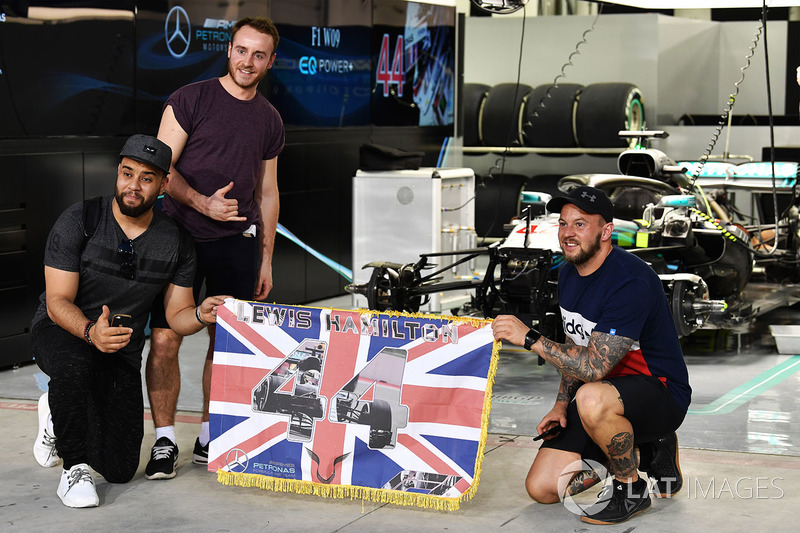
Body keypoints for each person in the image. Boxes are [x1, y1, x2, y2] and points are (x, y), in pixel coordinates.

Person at [31, 134, 229, 508]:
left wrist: (202, 314)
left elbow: (177, 316)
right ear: (118, 173)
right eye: (127, 173)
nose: (133, 186)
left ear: (164, 185)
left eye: (147, 178)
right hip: (63, 330)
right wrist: (91, 331)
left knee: (120, 468)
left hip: (120, 347)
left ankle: (55, 413)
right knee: (73, 368)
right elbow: (57, 301)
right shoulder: (80, 220)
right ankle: (73, 470)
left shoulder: (175, 242)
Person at [492, 186, 691, 525]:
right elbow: (576, 349)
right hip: (600, 396)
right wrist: (560, 404)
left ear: (606, 231)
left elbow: (594, 366)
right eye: (563, 223)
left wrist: (529, 338)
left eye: (581, 224)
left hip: (659, 392)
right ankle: (651, 451)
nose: (568, 233)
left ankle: (631, 490)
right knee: (542, 488)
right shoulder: (569, 273)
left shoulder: (631, 281)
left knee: (591, 398)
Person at [143, 16, 285, 479]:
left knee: (225, 346)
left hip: (236, 246)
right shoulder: (191, 99)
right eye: (241, 50)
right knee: (166, 338)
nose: (248, 61)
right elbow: (160, 170)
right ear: (229, 50)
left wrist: (264, 255)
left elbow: (268, 193)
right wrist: (202, 203)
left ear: (270, 61)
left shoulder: (269, 118)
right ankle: (164, 441)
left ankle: (210, 434)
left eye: (258, 54)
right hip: (177, 237)